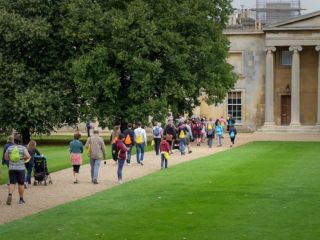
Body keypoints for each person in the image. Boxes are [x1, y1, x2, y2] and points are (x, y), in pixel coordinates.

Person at [4, 134, 30, 205]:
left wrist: (11, 159)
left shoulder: (9, 148)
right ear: (20, 141)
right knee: (21, 184)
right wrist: (22, 158)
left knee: (12, 183)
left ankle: (10, 194)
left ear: (14, 141)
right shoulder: (23, 148)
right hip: (21, 168)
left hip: (12, 168)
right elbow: (28, 156)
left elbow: (6, 158)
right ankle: (21, 199)